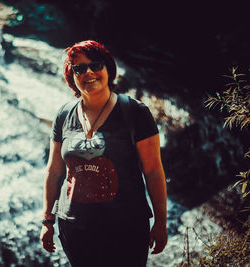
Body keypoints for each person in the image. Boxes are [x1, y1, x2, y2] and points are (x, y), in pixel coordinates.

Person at [40, 40, 168, 267]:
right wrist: (47, 220)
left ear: (108, 68)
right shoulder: (63, 114)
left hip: (125, 226)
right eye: (79, 68)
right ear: (72, 76)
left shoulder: (134, 112)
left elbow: (153, 171)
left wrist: (161, 221)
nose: (88, 72)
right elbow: (54, 170)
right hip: (74, 227)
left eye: (95, 65)